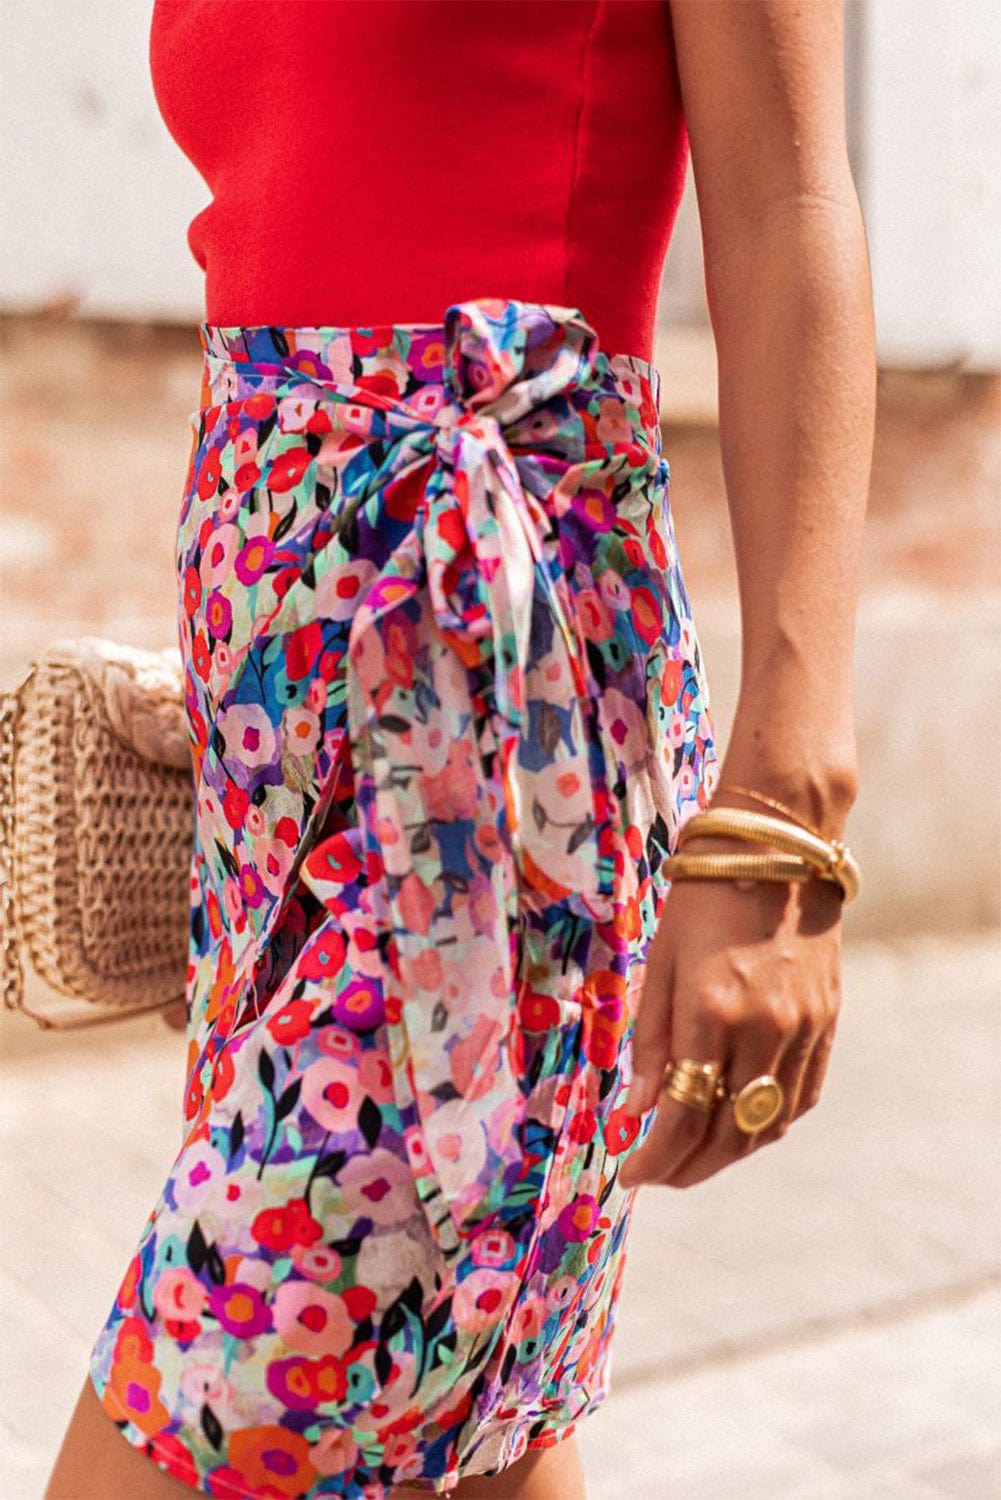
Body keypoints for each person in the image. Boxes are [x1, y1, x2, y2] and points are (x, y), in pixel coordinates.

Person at [46, 1, 874, 1497]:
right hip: (291, 717)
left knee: (240, 1386)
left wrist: (785, 809)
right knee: (471, 1428)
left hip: (497, 713)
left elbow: (787, 207)